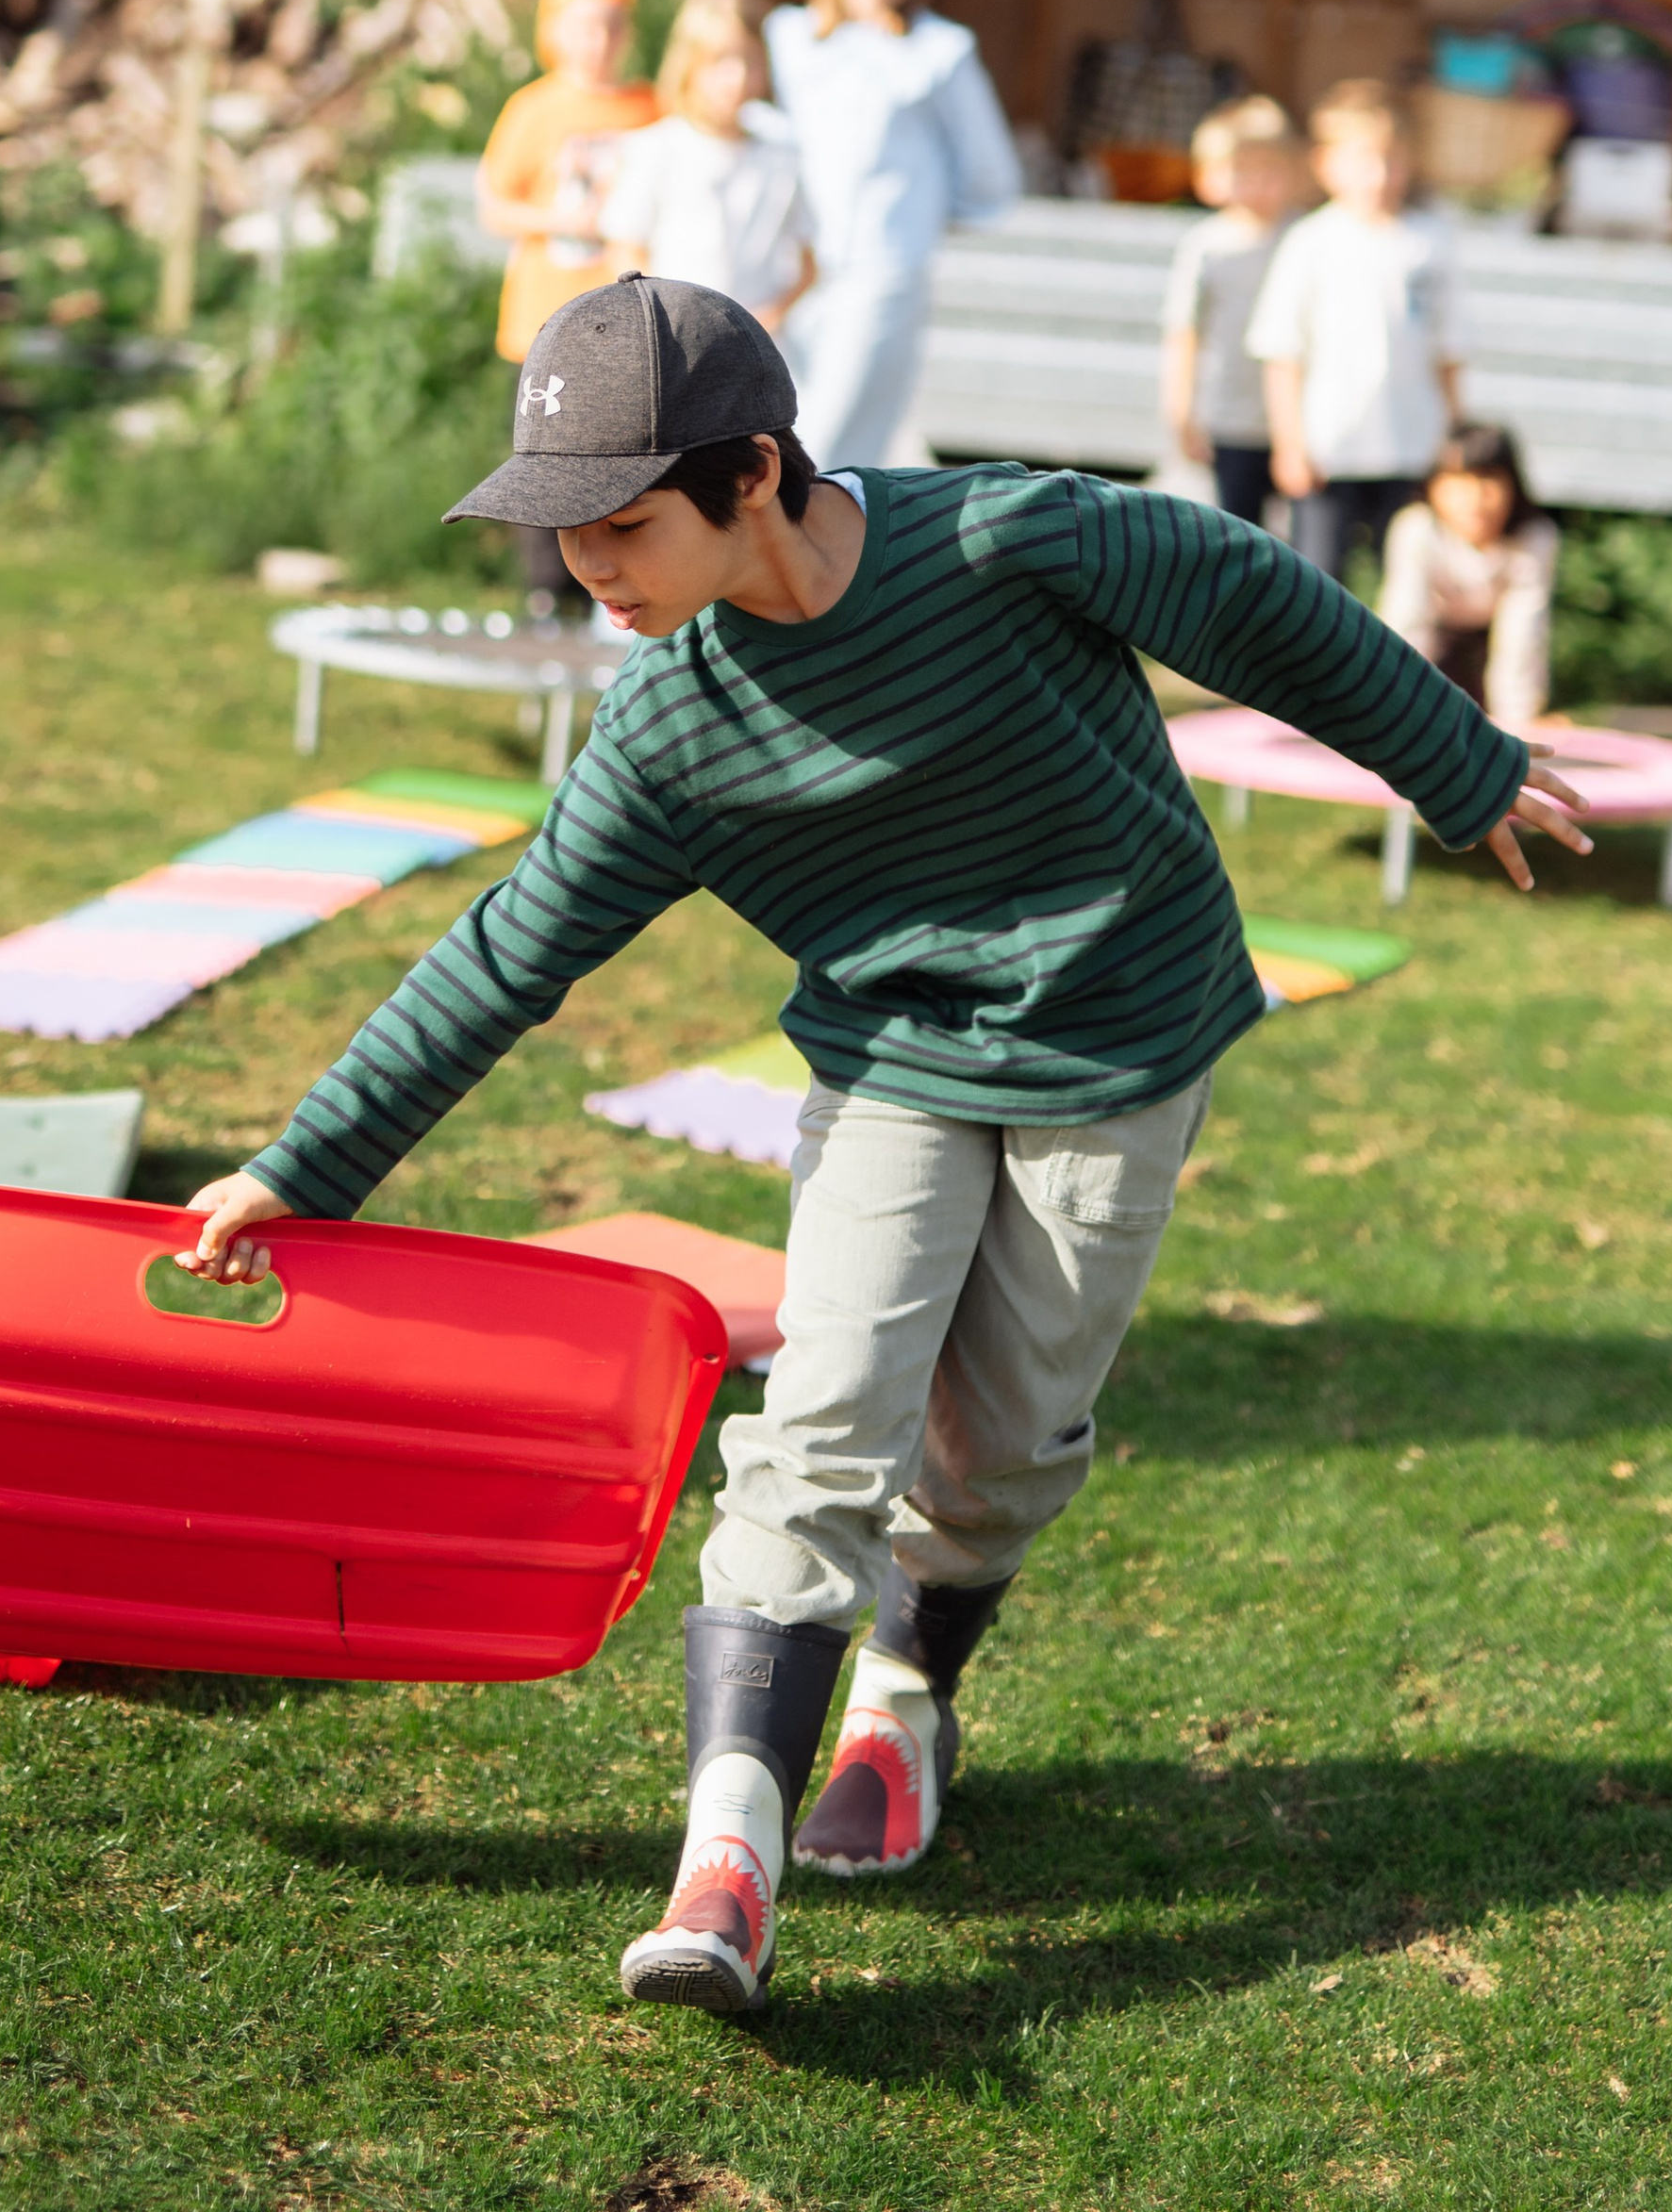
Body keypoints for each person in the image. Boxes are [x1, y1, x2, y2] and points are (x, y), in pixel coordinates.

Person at [178, 274, 1589, 2022]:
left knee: (999, 1449)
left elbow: (1253, 602)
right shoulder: (667, 732)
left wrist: (1455, 762)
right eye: (562, 533)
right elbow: (508, 952)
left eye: (620, 526)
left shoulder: (1008, 542)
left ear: (752, 472)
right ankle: (725, 1858)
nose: (587, 571)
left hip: (1124, 1040)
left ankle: (907, 1690)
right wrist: (302, 1168)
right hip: (896, 1067)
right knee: (822, 1426)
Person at [765, 0, 1019, 470]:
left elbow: (991, 176)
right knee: (770, 439)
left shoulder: (939, 53)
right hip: (788, 278)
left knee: (827, 455)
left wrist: (914, 217)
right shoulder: (788, 39)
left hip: (881, 277)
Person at [475, 0, 658, 598]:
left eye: (611, 25)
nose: (598, 40)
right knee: (544, 460)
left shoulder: (651, 109)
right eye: (583, 25)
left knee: (618, 459)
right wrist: (557, 214)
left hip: (623, 322)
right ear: (553, 32)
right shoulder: (533, 108)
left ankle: (617, 586)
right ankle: (546, 593)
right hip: (544, 318)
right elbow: (493, 204)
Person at [1247, 78, 1466, 582]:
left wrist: (1453, 438)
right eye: (1364, 160)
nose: (1380, 175)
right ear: (1326, 163)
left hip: (1413, 446)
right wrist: (1290, 444)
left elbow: (1449, 349)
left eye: (1392, 159)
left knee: (1410, 580)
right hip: (1331, 448)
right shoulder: (1311, 242)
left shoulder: (1430, 243)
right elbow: (1282, 353)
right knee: (1319, 582)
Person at [601, 0, 814, 329]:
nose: (739, 77)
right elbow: (624, 248)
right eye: (720, 61)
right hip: (673, 342)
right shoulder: (655, 149)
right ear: (690, 63)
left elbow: (809, 263)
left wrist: (771, 316)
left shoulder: (782, 158)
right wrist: (660, 321)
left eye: (751, 60)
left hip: (752, 349)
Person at [1158, 95, 1302, 528]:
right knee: (1236, 531)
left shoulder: (1305, 239)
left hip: (1296, 420)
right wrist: (1181, 412)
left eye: (1269, 172)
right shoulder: (1206, 246)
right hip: (1229, 417)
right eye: (1242, 172)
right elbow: (1184, 332)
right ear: (1208, 177)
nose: (1257, 184)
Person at [1380, 423, 1559, 735]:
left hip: (1489, 642)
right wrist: (1395, 701)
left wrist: (1517, 721)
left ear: (1514, 486)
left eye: (1488, 480)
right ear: (1433, 486)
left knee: (1491, 717)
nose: (1474, 498)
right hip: (1436, 638)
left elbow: (1524, 630)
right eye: (1458, 482)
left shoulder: (1534, 538)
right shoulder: (1416, 529)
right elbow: (1407, 616)